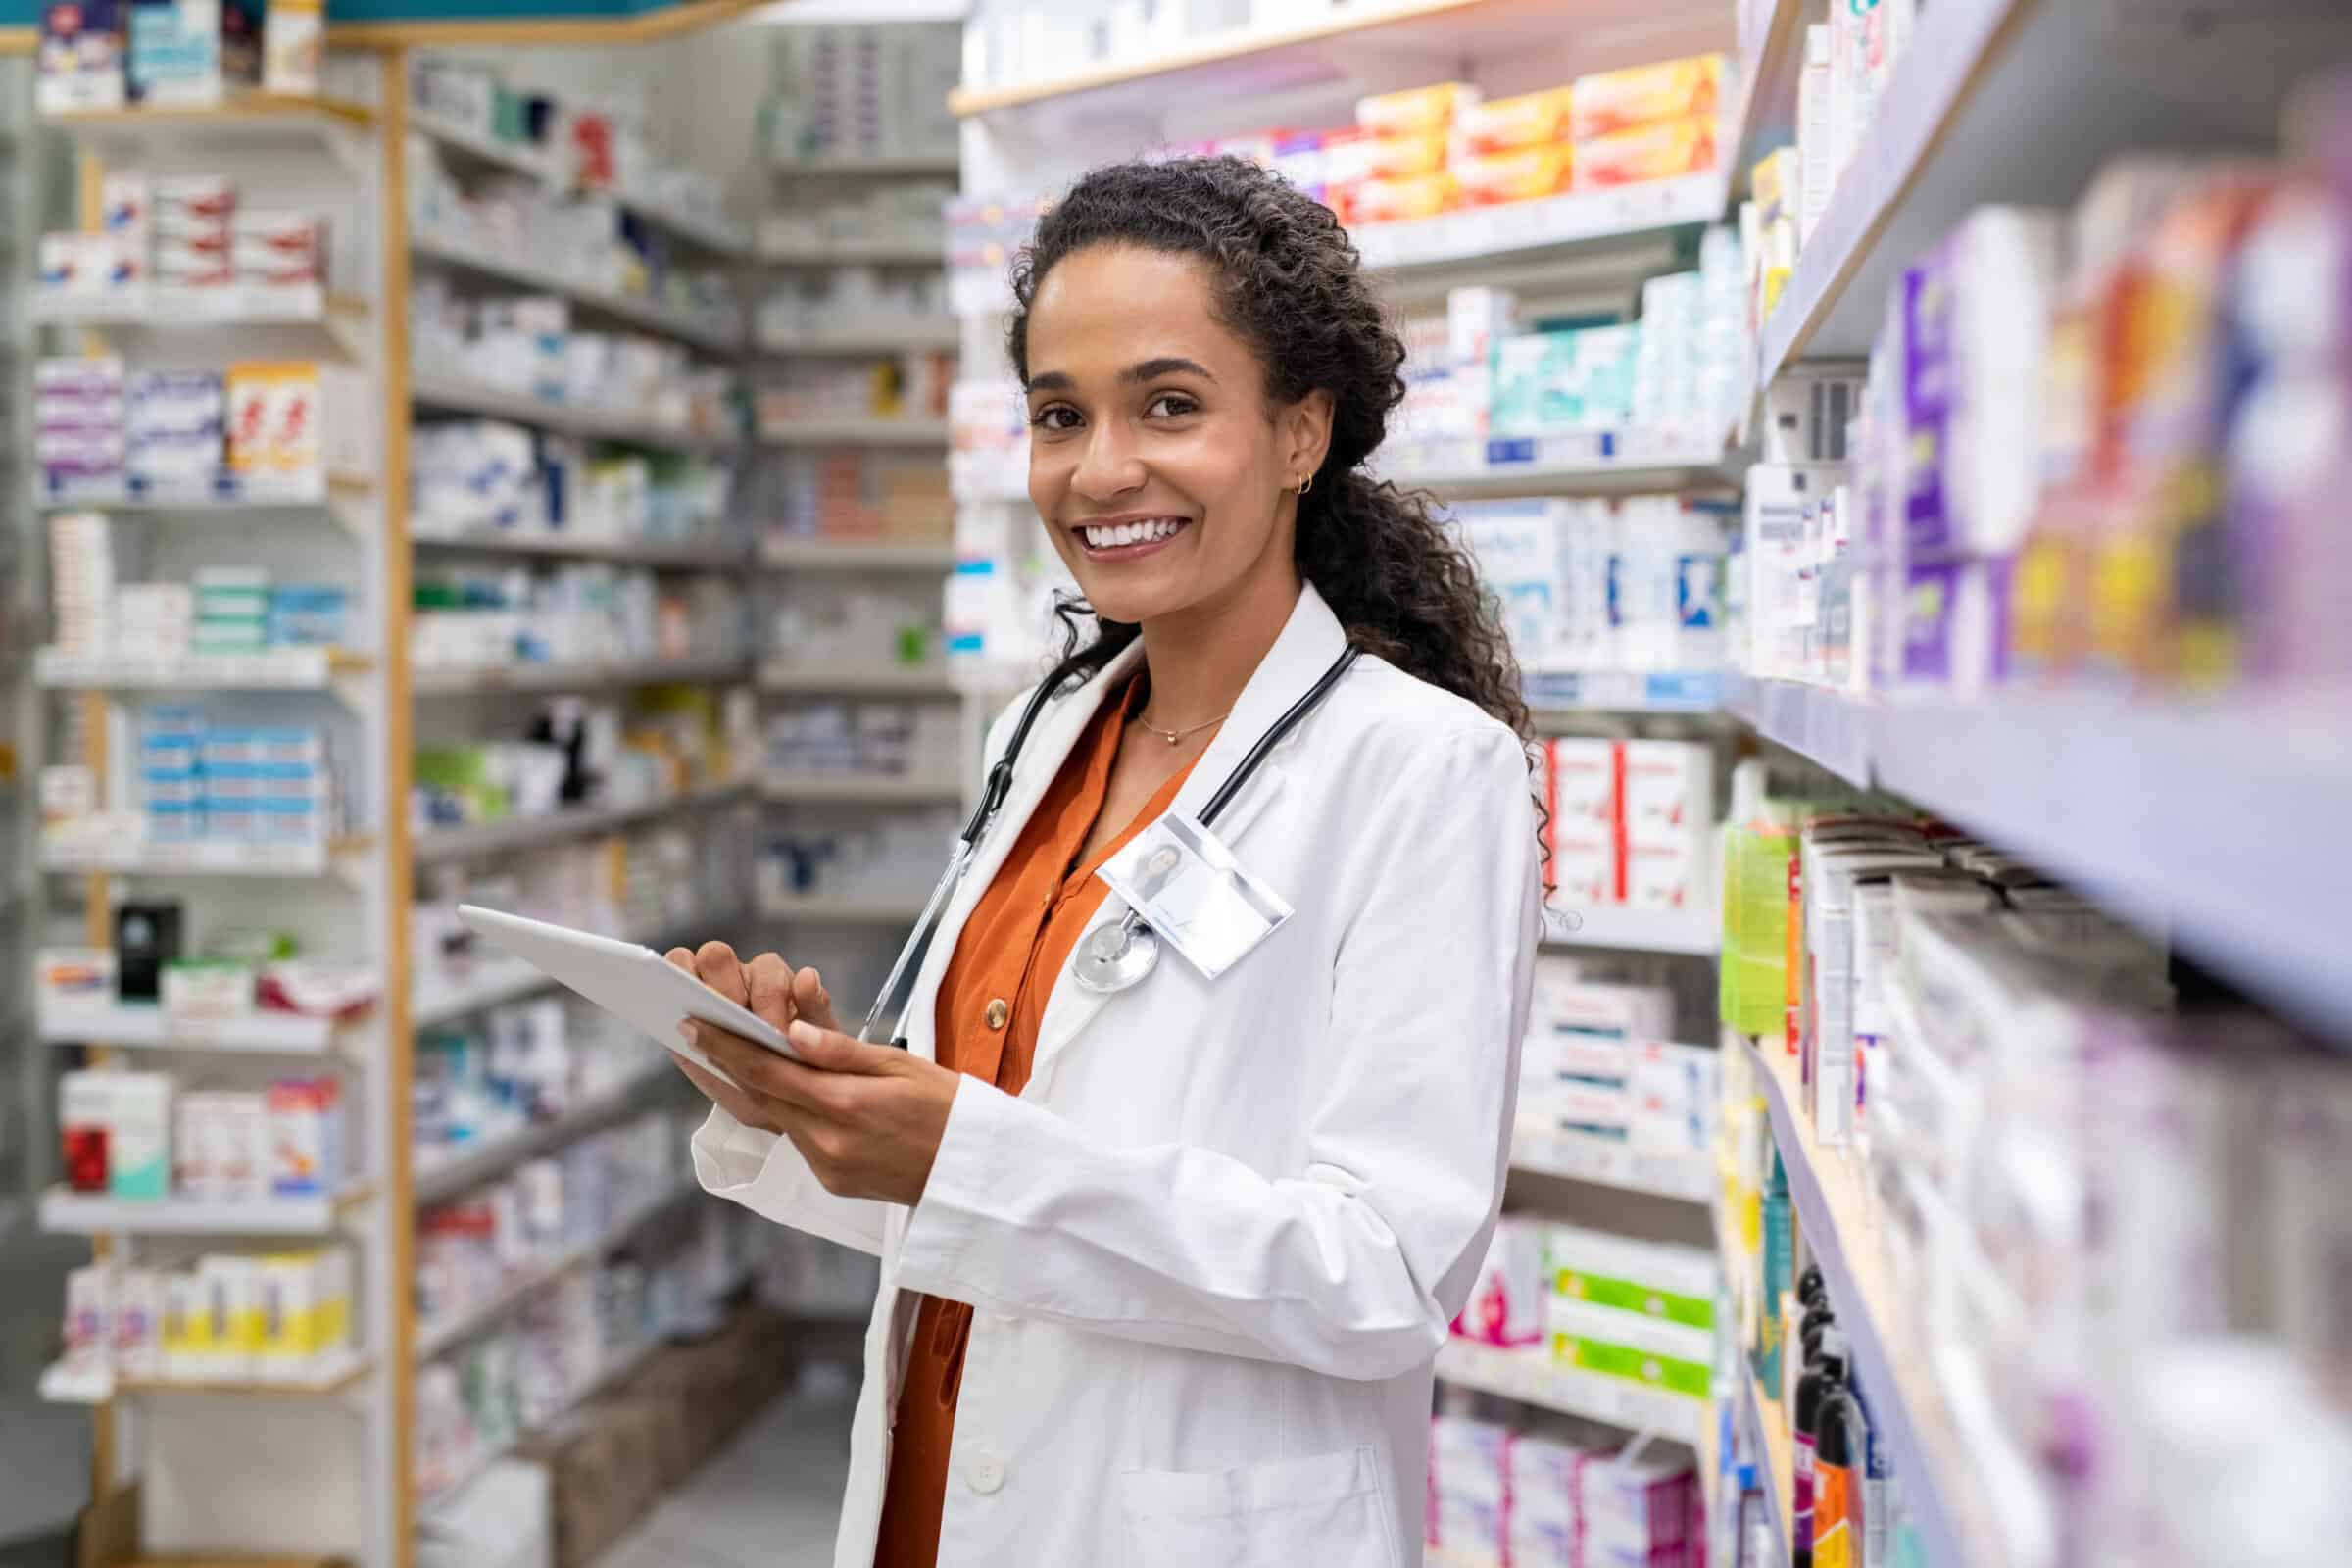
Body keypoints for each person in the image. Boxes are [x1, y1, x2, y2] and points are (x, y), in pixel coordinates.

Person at [667, 155, 1543, 1568]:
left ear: (1302, 431)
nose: (1101, 468)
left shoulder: (1425, 770)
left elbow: (1380, 1271)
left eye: (1171, 406)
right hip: (936, 1489)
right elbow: (976, 1159)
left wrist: (965, 1154)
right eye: (1058, 415)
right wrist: (808, 1095)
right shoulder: (1044, 729)